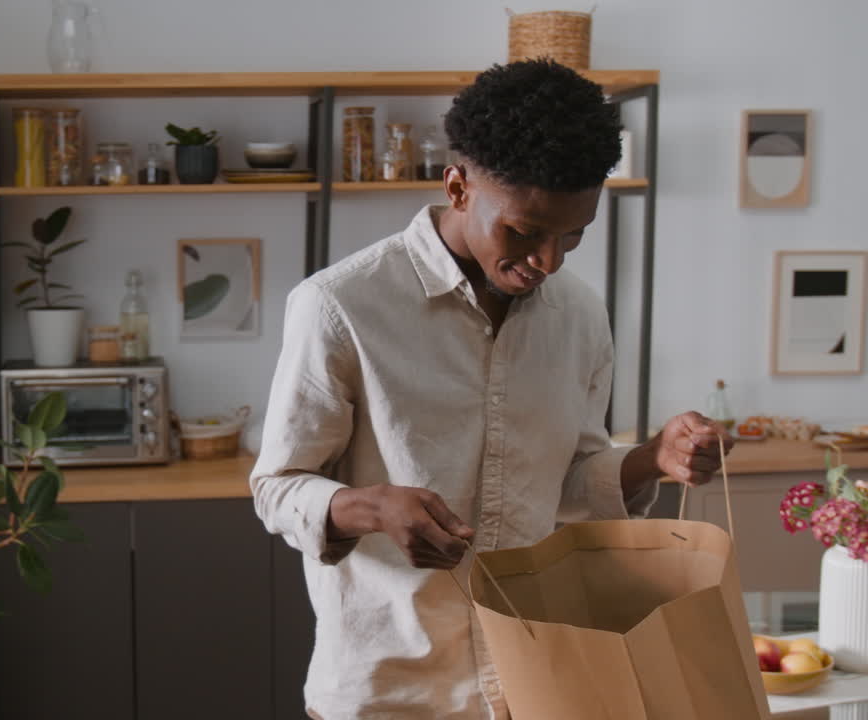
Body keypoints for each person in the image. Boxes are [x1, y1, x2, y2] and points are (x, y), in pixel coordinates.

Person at [250, 59, 733, 720]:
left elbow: (566, 482)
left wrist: (655, 457)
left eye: (574, 235)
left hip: (536, 682)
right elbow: (276, 487)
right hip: (391, 691)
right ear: (457, 186)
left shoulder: (581, 315)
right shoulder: (340, 307)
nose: (548, 262)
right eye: (525, 232)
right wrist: (372, 508)